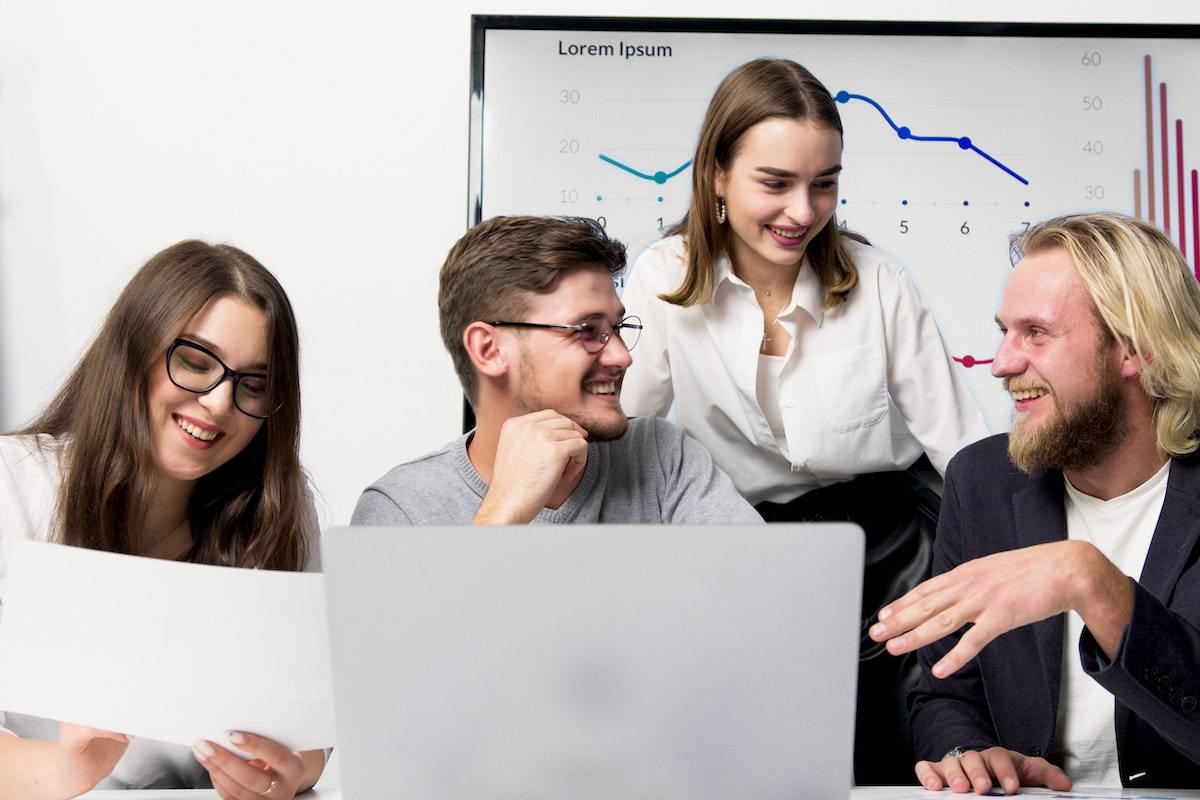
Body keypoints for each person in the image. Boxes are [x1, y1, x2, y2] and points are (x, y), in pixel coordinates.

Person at [619, 57, 989, 782]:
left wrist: (1031, 562)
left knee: (898, 766)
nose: (803, 211)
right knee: (748, 770)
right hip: (735, 555)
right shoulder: (663, 276)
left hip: (889, 555)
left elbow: (963, 448)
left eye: (825, 183)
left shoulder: (879, 279)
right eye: (775, 183)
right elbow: (623, 433)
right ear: (717, 175)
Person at [869, 213, 1200, 792]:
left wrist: (1092, 581)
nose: (1001, 364)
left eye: (1036, 333)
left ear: (1136, 348)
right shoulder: (981, 480)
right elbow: (945, 692)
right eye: (1004, 331)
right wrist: (968, 753)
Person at [0, 241, 326, 799]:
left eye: (254, 385)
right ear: (133, 352)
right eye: (195, 363)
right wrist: (65, 773)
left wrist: (288, 774)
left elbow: (307, 734)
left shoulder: (279, 507)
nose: (221, 403)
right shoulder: (15, 484)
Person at [351, 215, 762, 528]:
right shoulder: (401, 509)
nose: (622, 357)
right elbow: (416, 642)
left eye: (617, 328)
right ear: (489, 349)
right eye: (587, 330)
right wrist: (504, 510)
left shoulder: (661, 456)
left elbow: (770, 605)